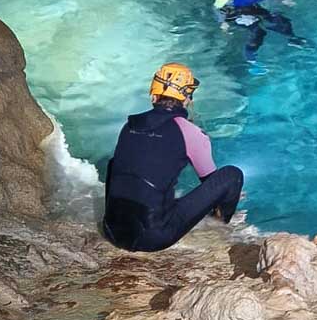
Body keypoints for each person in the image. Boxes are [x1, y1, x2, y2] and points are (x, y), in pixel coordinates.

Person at [102, 63, 244, 252]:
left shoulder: (129, 126)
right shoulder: (191, 132)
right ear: (186, 99)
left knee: (116, 163)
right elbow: (212, 182)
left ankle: (118, 218)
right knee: (231, 176)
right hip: (152, 238)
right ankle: (220, 226)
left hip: (111, 230)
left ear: (154, 95)